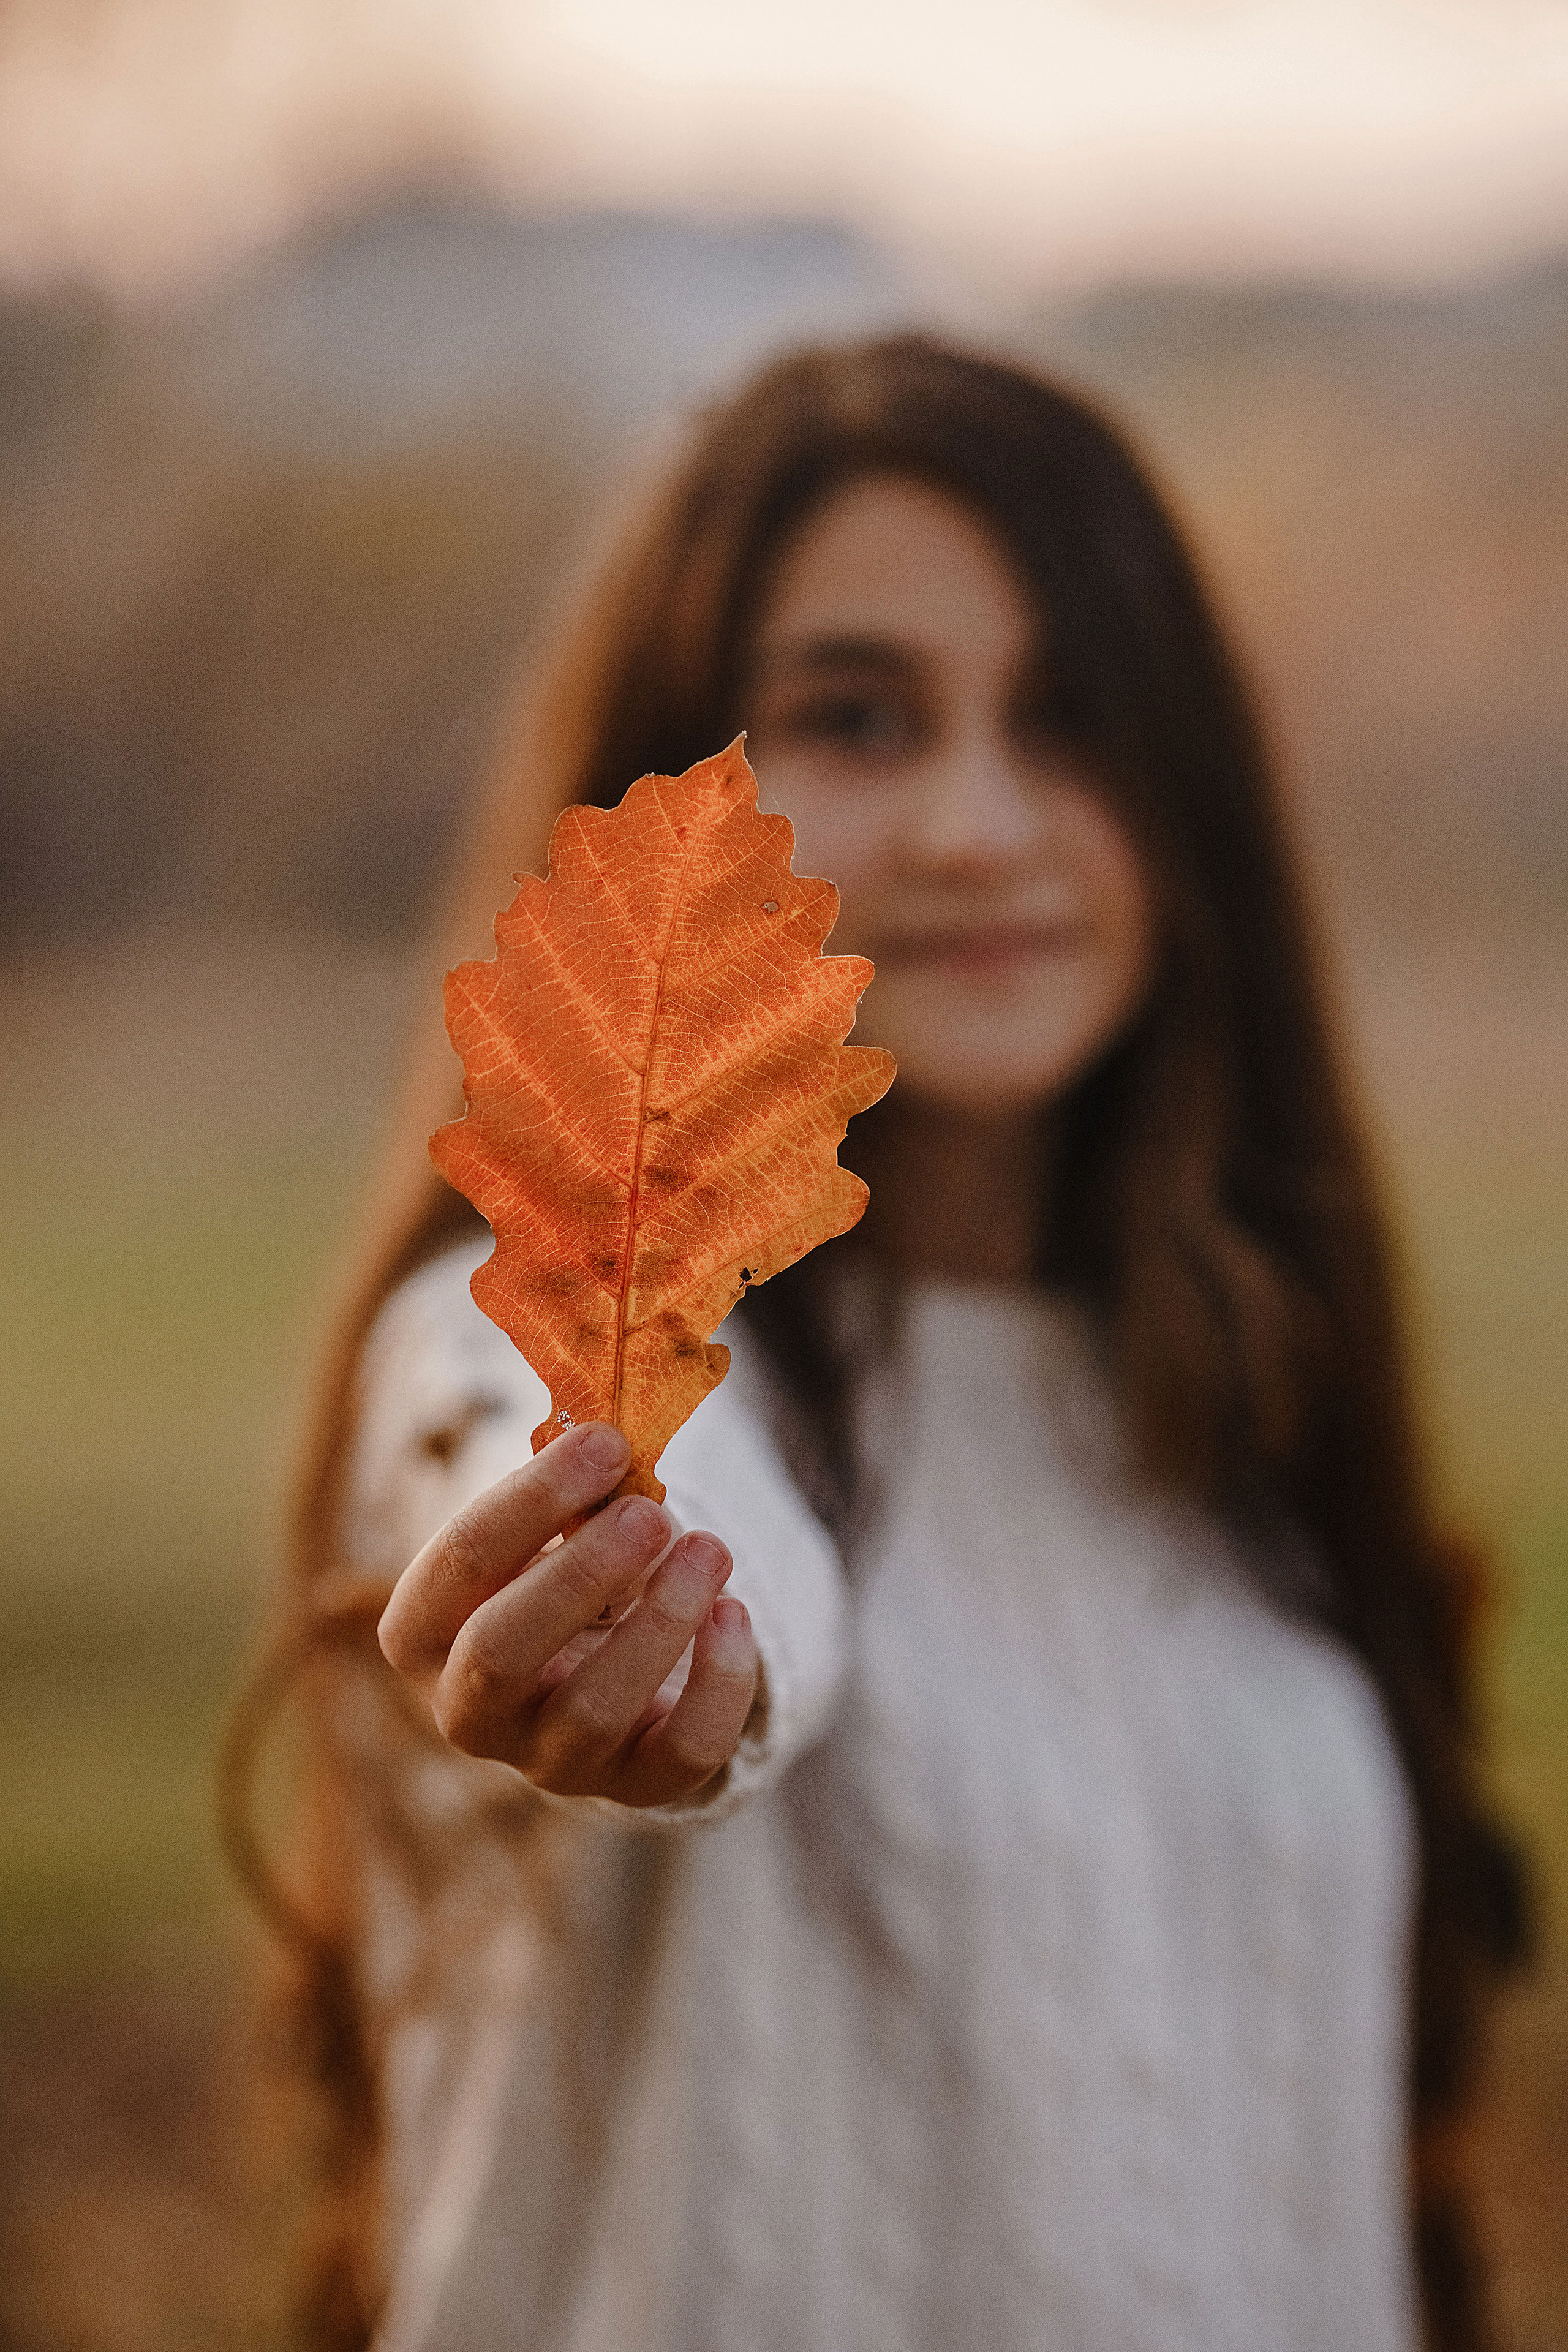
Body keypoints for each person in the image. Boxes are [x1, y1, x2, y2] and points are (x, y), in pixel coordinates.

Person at [228, 336, 1517, 2352]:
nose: (981, 823)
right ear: (673, 776)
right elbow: (565, 1469)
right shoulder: (517, 1350)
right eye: (857, 713)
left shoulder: (1243, 1405)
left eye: (1072, 723)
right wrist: (664, 1639)